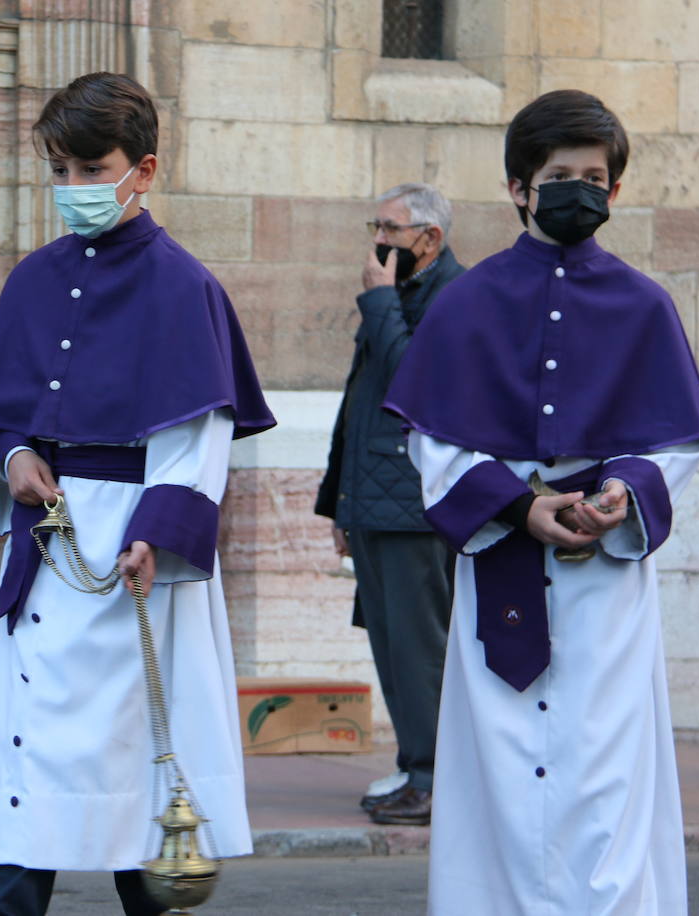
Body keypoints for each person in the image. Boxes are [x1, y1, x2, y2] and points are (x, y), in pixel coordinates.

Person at [384, 90, 699, 914]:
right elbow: (433, 440)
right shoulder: (466, 302)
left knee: (602, 777)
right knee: (496, 782)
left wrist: (620, 493)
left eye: (596, 177)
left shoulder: (645, 306)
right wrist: (517, 506)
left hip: (603, 585)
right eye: (560, 175)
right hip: (501, 559)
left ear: (616, 188)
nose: (580, 190)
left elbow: (672, 444)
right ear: (518, 187)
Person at [0, 72, 276, 916]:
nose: (73, 189)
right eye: (59, 170)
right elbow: (5, 417)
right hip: (50, 541)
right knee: (41, 760)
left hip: (137, 554)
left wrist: (156, 535)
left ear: (145, 168)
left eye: (92, 168)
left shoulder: (185, 286)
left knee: (136, 758)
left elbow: (198, 434)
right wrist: (15, 455)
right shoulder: (33, 279)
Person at [314, 182, 463, 826]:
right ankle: (414, 766)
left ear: (429, 239)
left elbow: (416, 388)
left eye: (391, 230)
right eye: (374, 227)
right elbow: (359, 407)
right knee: (390, 642)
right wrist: (340, 506)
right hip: (375, 504)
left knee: (418, 645)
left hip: (414, 506)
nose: (377, 242)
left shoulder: (453, 298)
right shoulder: (398, 296)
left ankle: (435, 779)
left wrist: (378, 301)